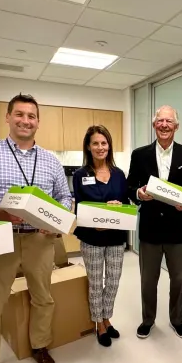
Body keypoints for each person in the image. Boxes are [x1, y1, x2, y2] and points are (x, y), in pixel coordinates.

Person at [0, 94, 72, 363]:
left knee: (43, 298)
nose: (26, 120)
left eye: (32, 116)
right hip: (0, 239)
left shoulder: (51, 159)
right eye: (20, 115)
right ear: (8, 117)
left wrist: (56, 220)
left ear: (38, 121)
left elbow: (65, 197)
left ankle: (40, 347)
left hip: (40, 240)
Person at [127, 105, 182, 340]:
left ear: (176, 127)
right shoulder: (140, 154)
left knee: (178, 280)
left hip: (180, 231)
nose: (164, 125)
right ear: (154, 125)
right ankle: (148, 319)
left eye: (169, 121)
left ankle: (177, 320)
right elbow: (130, 185)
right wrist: (138, 193)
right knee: (148, 281)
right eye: (160, 121)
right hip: (150, 230)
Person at [72, 125, 129, 347]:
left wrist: (118, 206)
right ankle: (99, 324)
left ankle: (107, 317)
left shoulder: (119, 174)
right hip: (91, 238)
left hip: (115, 237)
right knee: (96, 283)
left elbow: (126, 204)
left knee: (113, 281)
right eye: (95, 143)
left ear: (109, 146)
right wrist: (96, 221)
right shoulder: (80, 175)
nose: (100, 147)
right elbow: (79, 207)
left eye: (104, 143)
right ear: (88, 146)